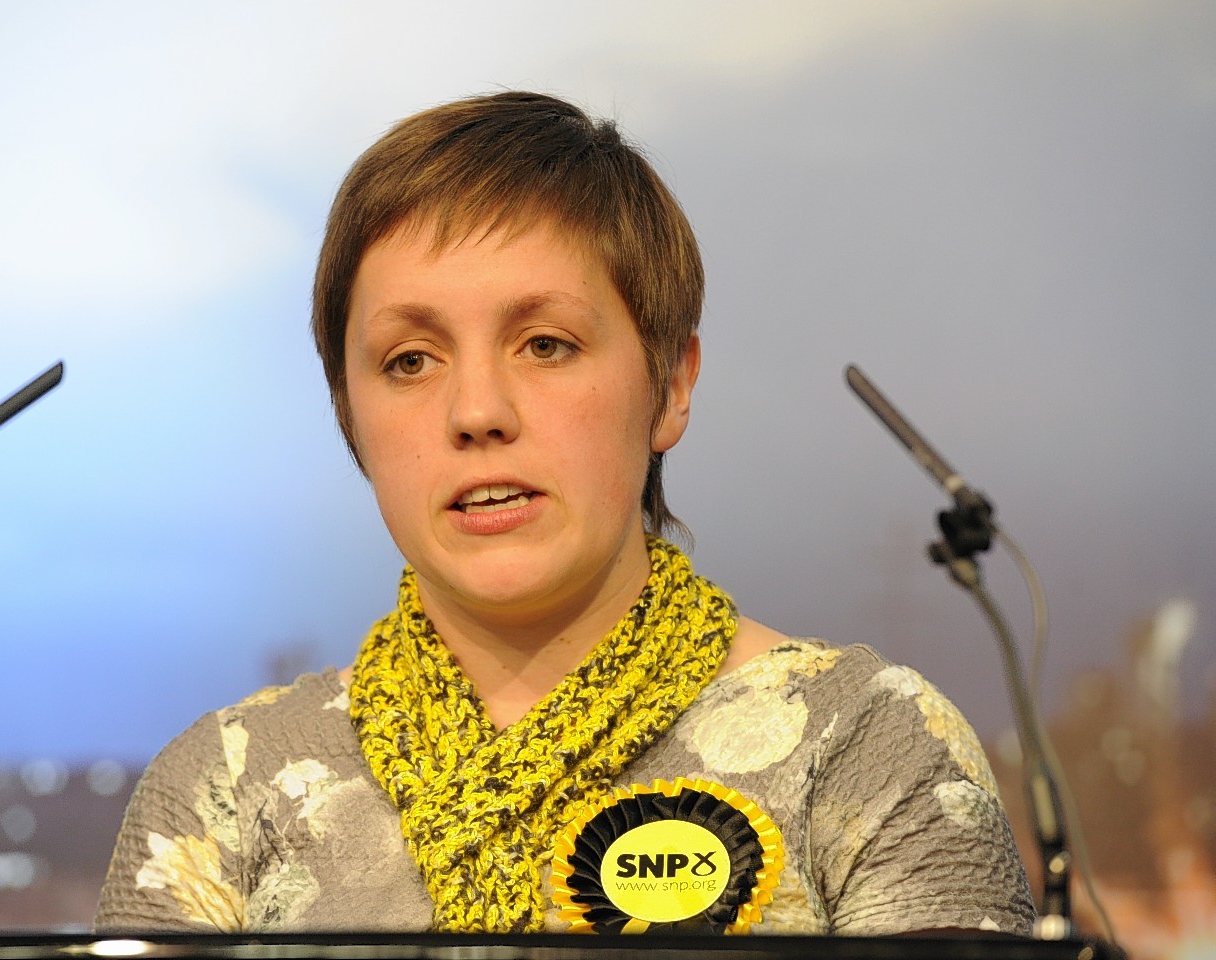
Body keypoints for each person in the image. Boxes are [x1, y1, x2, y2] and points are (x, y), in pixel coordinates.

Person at [94, 91, 1035, 937]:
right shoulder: (224, 784)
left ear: (670, 385)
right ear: (349, 414)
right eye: (409, 361)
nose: (476, 413)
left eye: (545, 344)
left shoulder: (866, 748)